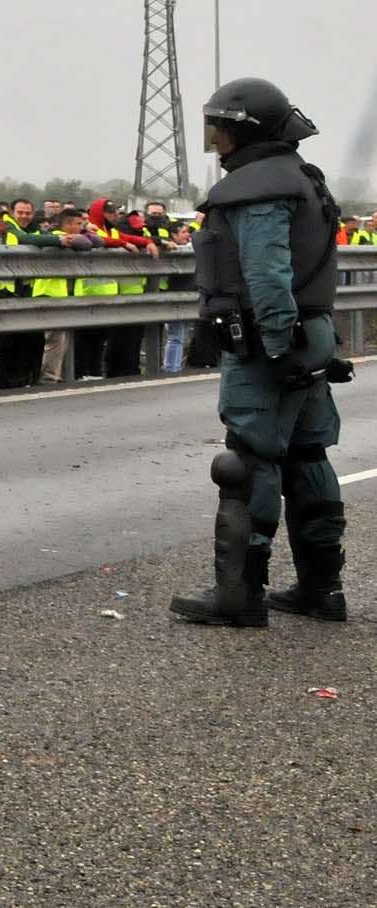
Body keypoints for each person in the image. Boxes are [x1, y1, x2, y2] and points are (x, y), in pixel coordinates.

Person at [172, 78, 352, 626]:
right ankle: (322, 590)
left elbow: (268, 272)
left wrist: (275, 345)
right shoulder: (302, 178)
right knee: (307, 454)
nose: (215, 140)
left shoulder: (256, 187)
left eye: (221, 129)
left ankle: (240, 595)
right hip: (311, 330)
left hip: (272, 334)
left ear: (246, 130)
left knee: (247, 460)